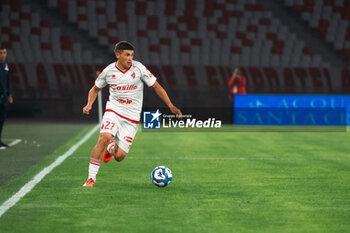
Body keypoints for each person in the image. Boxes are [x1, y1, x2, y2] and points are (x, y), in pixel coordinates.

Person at [82, 41, 182, 187]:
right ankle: (91, 178)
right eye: (127, 55)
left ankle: (111, 148)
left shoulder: (139, 68)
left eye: (132, 55)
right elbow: (95, 89)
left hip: (132, 117)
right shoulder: (109, 71)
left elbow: (156, 86)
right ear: (118, 55)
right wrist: (89, 104)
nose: (130, 58)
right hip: (114, 110)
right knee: (103, 137)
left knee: (119, 156)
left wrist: (170, 105)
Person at [0, 47, 13, 148]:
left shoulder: (5, 66)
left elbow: (8, 81)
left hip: (3, 97)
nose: (3, 55)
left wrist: (9, 95)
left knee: (2, 119)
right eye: (1, 53)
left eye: (4, 53)